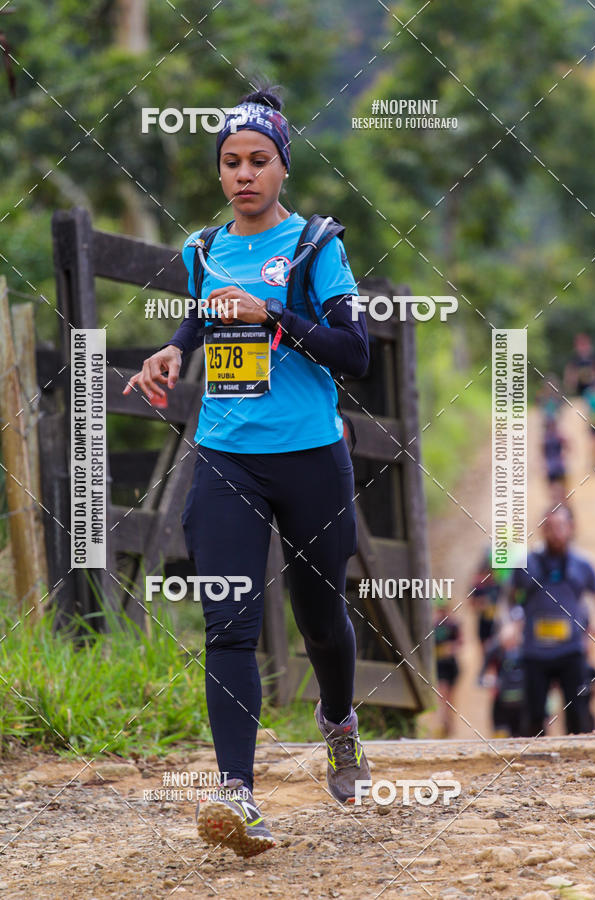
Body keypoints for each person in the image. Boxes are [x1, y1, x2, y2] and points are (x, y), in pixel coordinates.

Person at [123, 87, 371, 857]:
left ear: (282, 167)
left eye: (258, 161)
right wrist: (172, 352)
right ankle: (238, 795)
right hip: (228, 457)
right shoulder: (204, 250)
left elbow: (354, 352)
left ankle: (338, 724)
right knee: (228, 623)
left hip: (310, 461)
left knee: (320, 620)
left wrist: (278, 321)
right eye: (231, 162)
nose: (243, 175)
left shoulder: (314, 247)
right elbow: (203, 314)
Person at [509, 506, 595, 736]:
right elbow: (507, 600)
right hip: (534, 653)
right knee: (533, 715)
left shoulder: (583, 565)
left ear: (571, 528)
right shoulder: (525, 565)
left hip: (572, 651)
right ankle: (532, 767)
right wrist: (511, 624)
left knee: (579, 713)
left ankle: (582, 765)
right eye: (549, 527)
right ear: (542, 531)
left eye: (560, 526)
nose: (555, 533)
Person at [478, 612, 526, 738]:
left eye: (512, 641)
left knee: (521, 735)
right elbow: (481, 676)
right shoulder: (495, 651)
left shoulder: (525, 651)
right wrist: (490, 681)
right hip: (501, 701)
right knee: (500, 735)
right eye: (507, 642)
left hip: (522, 703)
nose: (510, 645)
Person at [469, 547, 511, 649]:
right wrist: (483, 604)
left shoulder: (500, 583)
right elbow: (471, 603)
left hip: (499, 624)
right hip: (485, 624)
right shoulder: (479, 584)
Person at [433, 598, 462, 738]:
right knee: (442, 694)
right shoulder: (433, 626)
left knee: (450, 697)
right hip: (440, 665)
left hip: (451, 665)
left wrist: (451, 648)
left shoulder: (453, 625)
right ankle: (443, 722)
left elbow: (460, 642)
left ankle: (449, 722)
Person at [541, 416, 569, 504]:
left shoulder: (546, 438)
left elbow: (542, 453)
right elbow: (568, 446)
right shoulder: (558, 436)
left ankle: (558, 505)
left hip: (552, 467)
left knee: (554, 490)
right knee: (562, 490)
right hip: (558, 466)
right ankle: (562, 505)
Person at [564, 333, 595, 397]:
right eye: (581, 345)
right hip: (578, 395)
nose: (583, 348)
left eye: (585, 344)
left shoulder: (594, 360)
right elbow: (568, 382)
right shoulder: (573, 361)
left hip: (593, 393)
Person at [582, 363, 595, 471]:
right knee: (593, 446)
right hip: (594, 423)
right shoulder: (589, 392)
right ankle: (594, 464)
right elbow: (588, 409)